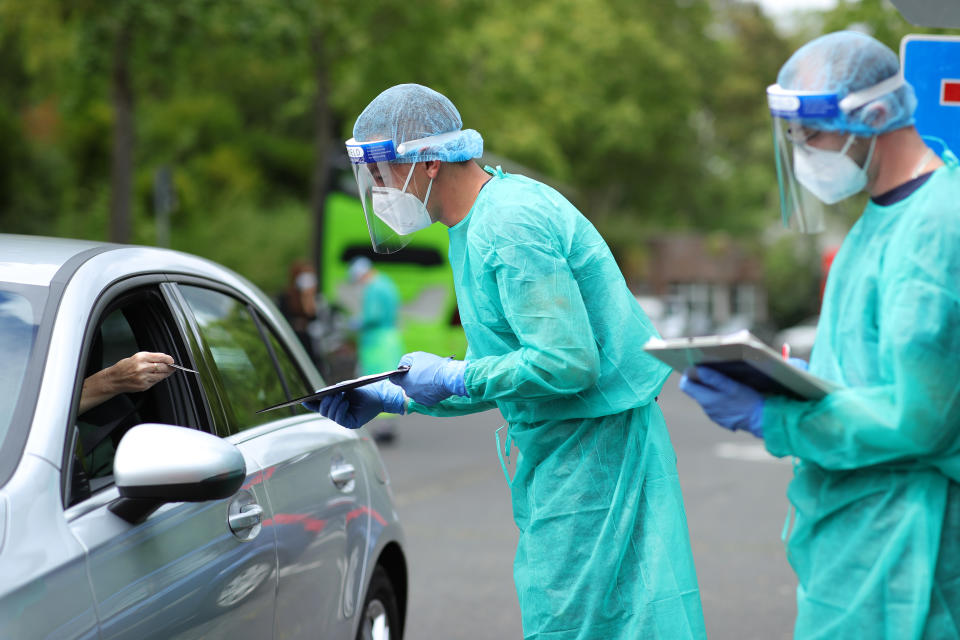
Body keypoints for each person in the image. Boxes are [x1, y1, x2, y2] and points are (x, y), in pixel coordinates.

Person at [307, 83, 705, 639]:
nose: (376, 189)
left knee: (578, 622)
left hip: (595, 452)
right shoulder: (473, 226)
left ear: (426, 162)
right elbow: (509, 368)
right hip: (571, 451)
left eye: (382, 171)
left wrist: (455, 375)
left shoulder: (510, 224)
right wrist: (402, 396)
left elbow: (566, 363)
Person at [680, 31, 960, 638]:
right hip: (857, 535)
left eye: (812, 133)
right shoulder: (881, 220)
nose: (803, 151)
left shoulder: (934, 228)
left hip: (907, 547)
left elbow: (921, 419)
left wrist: (775, 418)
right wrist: (788, 376)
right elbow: (877, 369)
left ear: (877, 117)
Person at [348, 255, 404, 443]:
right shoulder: (385, 283)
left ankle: (383, 426)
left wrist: (356, 323)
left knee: (376, 380)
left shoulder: (373, 288)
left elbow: (373, 316)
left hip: (377, 342)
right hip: (389, 338)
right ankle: (387, 424)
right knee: (388, 380)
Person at [278, 259, 319, 363]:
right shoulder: (286, 297)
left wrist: (307, 298)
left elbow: (313, 318)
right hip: (293, 343)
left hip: (309, 346)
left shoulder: (313, 298)